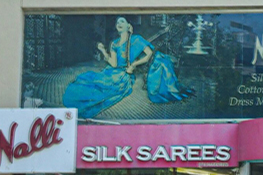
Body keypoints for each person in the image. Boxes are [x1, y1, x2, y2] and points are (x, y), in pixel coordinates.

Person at [63, 17, 191, 118]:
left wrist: (134, 65)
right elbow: (113, 64)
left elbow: (149, 54)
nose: (119, 23)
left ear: (128, 26)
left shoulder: (136, 39)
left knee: (108, 88)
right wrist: (103, 51)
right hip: (112, 70)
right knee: (93, 81)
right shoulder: (114, 43)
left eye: (122, 21)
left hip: (124, 74)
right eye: (118, 22)